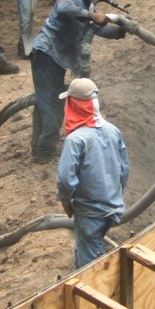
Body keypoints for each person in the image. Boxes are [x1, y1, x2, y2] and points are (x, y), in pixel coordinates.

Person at [30, 0, 125, 163]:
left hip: (55, 59)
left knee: (47, 102)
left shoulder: (86, 5)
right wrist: (92, 16)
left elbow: (100, 30)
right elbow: (65, 10)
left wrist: (123, 30)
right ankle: (43, 152)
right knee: (52, 108)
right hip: (46, 55)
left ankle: (39, 147)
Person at [56, 78, 129, 269]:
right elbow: (124, 171)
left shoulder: (75, 140)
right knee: (93, 247)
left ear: (73, 105)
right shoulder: (113, 131)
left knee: (91, 270)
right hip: (113, 207)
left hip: (90, 213)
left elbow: (65, 179)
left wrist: (65, 201)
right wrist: (113, 194)